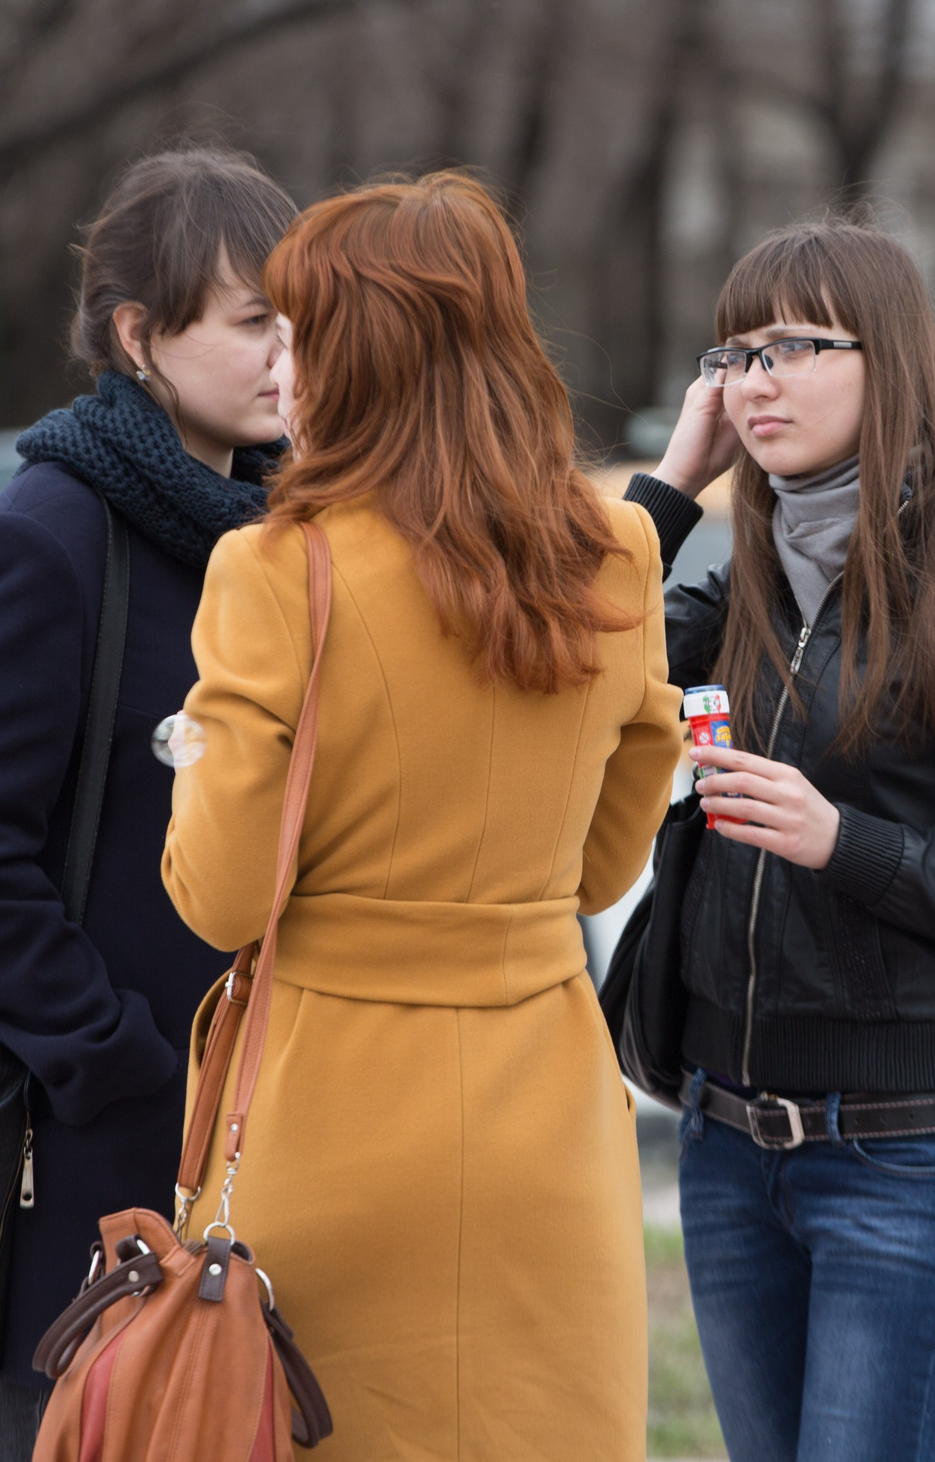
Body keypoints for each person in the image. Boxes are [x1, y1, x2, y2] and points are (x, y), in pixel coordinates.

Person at [162, 171, 681, 1459]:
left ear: (361, 350)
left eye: (299, 330)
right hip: (546, 1119)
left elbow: (220, 897)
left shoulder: (276, 567)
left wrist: (202, 745)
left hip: (334, 1110)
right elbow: (605, 868)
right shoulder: (614, 553)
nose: (282, 363)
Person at [621, 218, 935, 1462]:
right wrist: (673, 485)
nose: (755, 380)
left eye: (793, 345)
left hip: (905, 1158)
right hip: (725, 1144)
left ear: (886, 361)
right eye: (733, 354)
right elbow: (564, 660)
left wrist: (849, 842)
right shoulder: (731, 588)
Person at [0, 147, 298, 1462]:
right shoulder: (48, 534)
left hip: (280, 1129)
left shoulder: (281, 534)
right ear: (139, 334)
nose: (291, 349)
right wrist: (117, 1061)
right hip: (109, 1158)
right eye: (253, 318)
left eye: (300, 314)